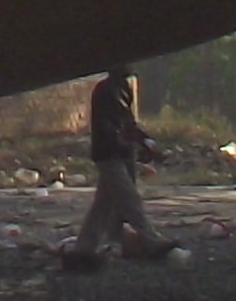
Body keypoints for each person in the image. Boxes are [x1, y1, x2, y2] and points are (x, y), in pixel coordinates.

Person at [63, 68, 171, 266]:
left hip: (113, 153)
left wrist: (144, 142)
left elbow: (127, 123)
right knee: (129, 198)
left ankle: (83, 249)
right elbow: (117, 125)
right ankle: (153, 241)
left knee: (102, 205)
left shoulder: (117, 88)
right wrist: (140, 143)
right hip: (110, 154)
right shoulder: (109, 91)